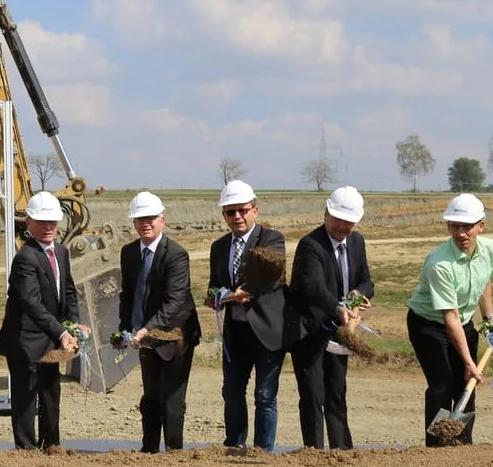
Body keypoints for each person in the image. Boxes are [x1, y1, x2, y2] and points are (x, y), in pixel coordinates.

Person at [0, 191, 85, 450]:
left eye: (52, 222)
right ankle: (26, 450)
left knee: (51, 393)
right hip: (25, 341)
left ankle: (51, 445)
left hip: (50, 338)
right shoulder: (25, 257)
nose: (48, 227)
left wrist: (73, 324)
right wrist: (61, 333)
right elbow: (31, 304)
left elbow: (68, 292)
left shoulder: (61, 252)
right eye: (42, 222)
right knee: (25, 399)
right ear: (29, 223)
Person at [205, 180, 293, 452]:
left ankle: (262, 452)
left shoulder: (271, 239)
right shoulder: (219, 247)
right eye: (230, 212)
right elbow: (213, 286)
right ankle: (234, 445)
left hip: (267, 330)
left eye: (242, 210)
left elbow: (271, 279)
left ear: (255, 210)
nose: (237, 217)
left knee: (264, 395)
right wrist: (220, 296)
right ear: (224, 215)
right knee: (232, 392)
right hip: (236, 332)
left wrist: (238, 293)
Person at [406, 193, 493, 447]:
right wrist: (469, 362)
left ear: (481, 226)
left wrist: (489, 321)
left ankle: (462, 445)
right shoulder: (439, 264)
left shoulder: (490, 249)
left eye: (467, 226)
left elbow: (484, 282)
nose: (461, 233)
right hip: (428, 324)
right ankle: (436, 446)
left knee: (466, 384)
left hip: (464, 320)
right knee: (442, 384)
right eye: (455, 226)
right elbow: (450, 316)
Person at [289, 186, 374, 450]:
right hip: (309, 332)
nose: (342, 226)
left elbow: (366, 280)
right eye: (337, 219)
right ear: (326, 213)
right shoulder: (310, 245)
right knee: (313, 396)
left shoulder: (357, 242)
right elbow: (313, 287)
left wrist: (359, 295)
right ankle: (313, 453)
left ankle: (342, 452)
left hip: (339, 334)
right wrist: (338, 308)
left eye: (349, 222)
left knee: (337, 394)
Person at [117, 192, 202, 452]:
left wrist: (146, 329)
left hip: (176, 335)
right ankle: (149, 449)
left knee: (172, 398)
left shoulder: (176, 254)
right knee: (151, 395)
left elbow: (174, 302)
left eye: (151, 218)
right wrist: (125, 328)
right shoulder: (129, 252)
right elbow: (128, 294)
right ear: (133, 223)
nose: (145, 224)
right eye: (140, 219)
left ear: (162, 220)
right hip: (146, 335)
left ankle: (174, 452)